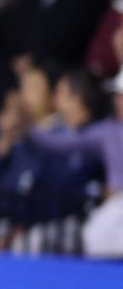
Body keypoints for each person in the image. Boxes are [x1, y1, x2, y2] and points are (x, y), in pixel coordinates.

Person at [27, 70, 123, 257]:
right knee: (96, 235)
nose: (117, 102)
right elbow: (62, 143)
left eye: (122, 96)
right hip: (118, 204)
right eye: (117, 96)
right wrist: (31, 129)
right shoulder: (108, 130)